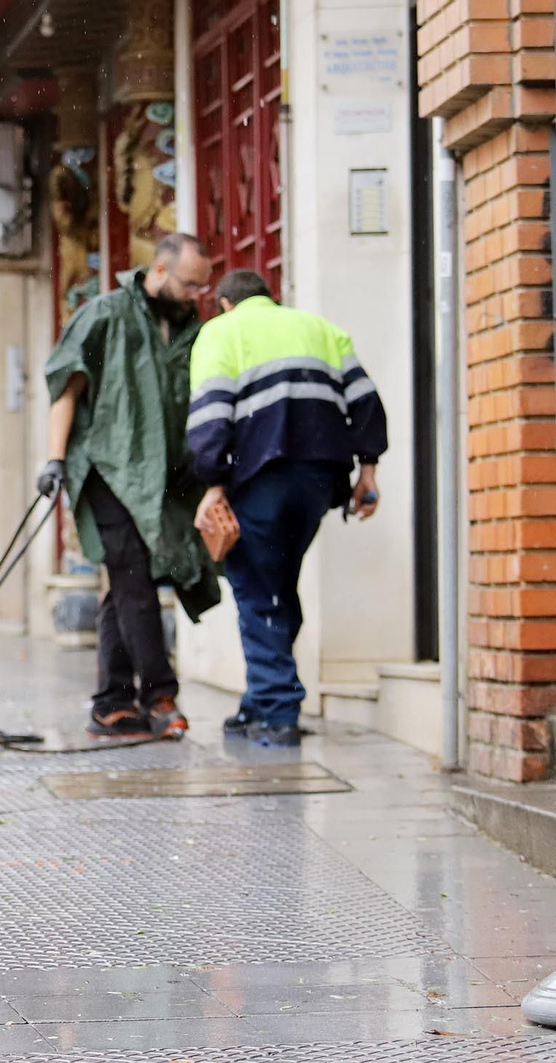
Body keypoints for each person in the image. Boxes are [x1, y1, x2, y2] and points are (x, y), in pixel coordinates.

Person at [187, 269, 388, 746]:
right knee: (277, 583)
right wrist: (369, 471)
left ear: (225, 304)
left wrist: (213, 483)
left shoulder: (220, 332)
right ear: (269, 298)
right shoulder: (319, 329)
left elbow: (212, 413)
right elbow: (366, 401)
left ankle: (278, 712)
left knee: (257, 590)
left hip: (261, 477)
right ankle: (259, 700)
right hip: (320, 480)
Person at [38, 233, 220, 740]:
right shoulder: (106, 313)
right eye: (189, 284)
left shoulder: (193, 330)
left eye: (202, 288)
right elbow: (66, 388)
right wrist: (54, 460)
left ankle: (111, 702)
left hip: (163, 479)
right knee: (134, 576)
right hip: (106, 471)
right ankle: (160, 696)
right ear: (159, 271)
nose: (196, 295)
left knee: (125, 588)